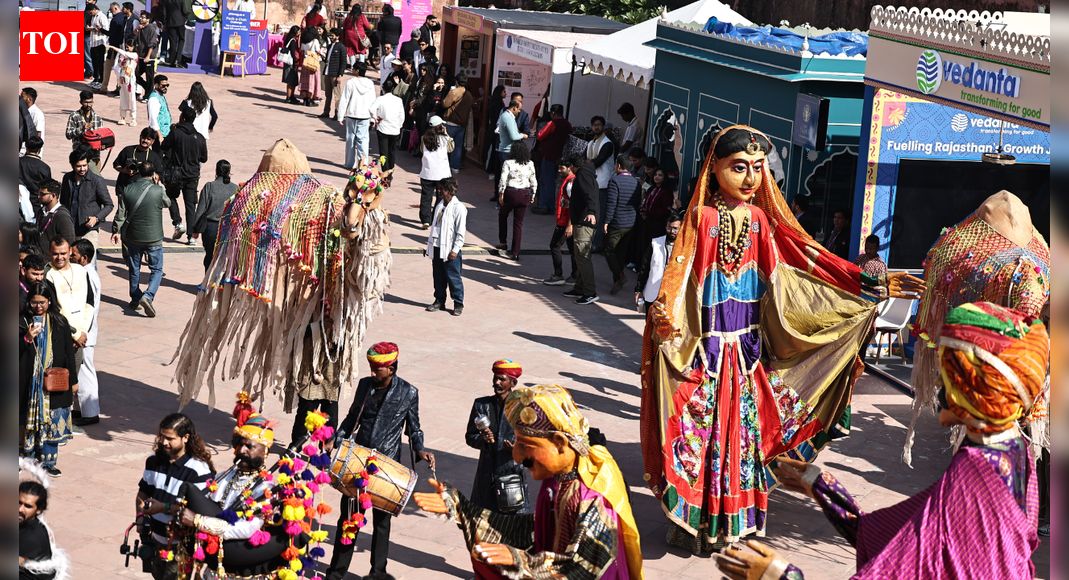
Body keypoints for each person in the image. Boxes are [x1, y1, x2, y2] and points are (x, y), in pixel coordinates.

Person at [640, 126, 924, 552]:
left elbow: (806, 261)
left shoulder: (758, 221)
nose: (751, 178)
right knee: (697, 432)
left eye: (758, 168)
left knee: (742, 439)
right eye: (739, 168)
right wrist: (665, 316)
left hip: (749, 354)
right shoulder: (701, 219)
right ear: (712, 168)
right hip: (708, 351)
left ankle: (734, 520)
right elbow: (678, 276)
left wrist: (862, 281)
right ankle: (691, 521)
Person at [717, 302, 1047, 580]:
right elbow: (906, 537)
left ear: (970, 390)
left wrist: (779, 574)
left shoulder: (974, 475)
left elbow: (900, 566)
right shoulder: (1013, 450)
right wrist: (824, 487)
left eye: (946, 374)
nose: (935, 382)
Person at [414, 384, 643, 580]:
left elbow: (584, 565)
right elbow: (537, 529)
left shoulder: (594, 497)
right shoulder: (557, 483)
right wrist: (462, 509)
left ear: (560, 442)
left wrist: (522, 562)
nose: (517, 457)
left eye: (525, 445)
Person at [325, 342, 435, 579]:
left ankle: (378, 573)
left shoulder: (409, 392)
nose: (373, 373)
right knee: (349, 518)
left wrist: (420, 449)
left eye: (378, 370)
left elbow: (414, 429)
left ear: (392, 369)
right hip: (359, 460)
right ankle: (336, 573)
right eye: (372, 368)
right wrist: (337, 438)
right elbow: (352, 417)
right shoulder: (365, 385)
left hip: (386, 466)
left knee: (382, 525)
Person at [136, 413, 215, 580]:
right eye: (162, 437)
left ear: (185, 438)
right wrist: (140, 518)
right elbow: (143, 493)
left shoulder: (199, 471)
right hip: (156, 540)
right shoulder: (153, 461)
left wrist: (163, 508)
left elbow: (200, 513)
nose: (164, 442)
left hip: (181, 546)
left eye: (170, 438)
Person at [20, 282, 79, 478]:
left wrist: (73, 380)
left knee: (52, 420)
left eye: (42, 302)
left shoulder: (60, 322)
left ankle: (48, 462)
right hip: (28, 382)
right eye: (34, 303)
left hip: (54, 382)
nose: (38, 307)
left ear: (50, 301)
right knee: (25, 420)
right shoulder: (21, 321)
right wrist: (27, 338)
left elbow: (69, 353)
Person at [464, 359, 530, 515]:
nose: (497, 382)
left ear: (513, 383)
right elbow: (470, 436)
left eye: (502, 379)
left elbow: (534, 444)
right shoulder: (481, 405)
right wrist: (483, 441)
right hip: (485, 478)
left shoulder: (523, 409)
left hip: (511, 478)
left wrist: (518, 449)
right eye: (495, 378)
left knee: (510, 528)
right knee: (481, 526)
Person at [111, 161, 169, 317]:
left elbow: (121, 213)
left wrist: (115, 230)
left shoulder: (128, 189)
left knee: (134, 268)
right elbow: (167, 203)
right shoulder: (158, 190)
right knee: (156, 269)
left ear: (138, 173)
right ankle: (148, 295)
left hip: (133, 236)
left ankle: (136, 298)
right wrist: (158, 184)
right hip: (154, 237)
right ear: (153, 174)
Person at [162, 108, 207, 244]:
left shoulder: (176, 133)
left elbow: (164, 146)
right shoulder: (199, 137)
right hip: (192, 176)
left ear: (183, 118)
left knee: (170, 196)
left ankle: (178, 223)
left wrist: (171, 132)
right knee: (190, 205)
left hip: (175, 174)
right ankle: (190, 236)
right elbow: (204, 158)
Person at [559, 154, 600, 305]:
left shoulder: (582, 175)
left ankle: (590, 292)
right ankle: (580, 287)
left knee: (582, 256)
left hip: (585, 222)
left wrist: (591, 212)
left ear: (572, 165)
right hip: (582, 220)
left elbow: (590, 196)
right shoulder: (586, 174)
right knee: (580, 255)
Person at [69, 239, 101, 427]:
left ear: (84, 257)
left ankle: (90, 413)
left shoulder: (87, 275)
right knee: (81, 372)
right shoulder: (86, 273)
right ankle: (82, 410)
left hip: (85, 333)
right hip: (85, 331)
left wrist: (80, 332)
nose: (70, 257)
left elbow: (87, 307)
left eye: (73, 255)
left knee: (86, 372)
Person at [59, 148, 113, 255]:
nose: (82, 169)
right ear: (72, 165)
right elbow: (63, 203)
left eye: (85, 165)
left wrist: (96, 218)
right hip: (70, 231)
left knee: (88, 265)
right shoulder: (67, 178)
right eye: (79, 166)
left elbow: (109, 205)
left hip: (89, 231)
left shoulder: (97, 181)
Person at [425, 177, 466, 315]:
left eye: (441, 189)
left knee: (453, 277)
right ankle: (439, 300)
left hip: (450, 249)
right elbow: (434, 227)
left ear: (449, 190)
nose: (438, 190)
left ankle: (458, 303)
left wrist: (455, 250)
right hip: (437, 246)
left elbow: (460, 233)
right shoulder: (440, 205)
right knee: (438, 276)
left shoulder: (459, 208)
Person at [603, 153, 642, 294]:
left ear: (618, 166)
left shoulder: (614, 181)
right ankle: (617, 280)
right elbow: (638, 204)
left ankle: (619, 275)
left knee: (609, 250)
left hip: (617, 222)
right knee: (620, 252)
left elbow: (611, 203)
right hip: (630, 223)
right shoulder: (636, 183)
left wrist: (606, 221)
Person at [189, 160, 237, 270]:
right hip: (228, 227)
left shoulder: (209, 186)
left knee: (210, 257)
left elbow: (201, 209)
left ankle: (208, 282)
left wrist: (195, 229)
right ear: (229, 172)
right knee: (225, 257)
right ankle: (221, 283)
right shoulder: (235, 188)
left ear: (216, 171)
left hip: (210, 228)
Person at [20, 476, 70, 580]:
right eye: (18, 502)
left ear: (39, 510)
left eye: (27, 506)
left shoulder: (30, 537)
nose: (20, 509)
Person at [635, 209, 683, 313]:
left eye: (675, 228)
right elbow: (645, 268)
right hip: (653, 292)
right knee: (650, 324)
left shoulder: (685, 248)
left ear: (681, 229)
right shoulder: (655, 243)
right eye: (669, 228)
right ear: (665, 227)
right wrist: (638, 290)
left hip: (674, 294)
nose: (672, 231)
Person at [496, 140, 537, 261]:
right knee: (518, 224)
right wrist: (533, 194)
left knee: (503, 215)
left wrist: (500, 194)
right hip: (524, 194)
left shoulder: (508, 163)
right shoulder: (530, 163)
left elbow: (503, 180)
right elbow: (533, 180)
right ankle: (515, 252)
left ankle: (503, 243)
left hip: (511, 193)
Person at [543, 158, 577, 286]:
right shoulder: (570, 181)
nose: (559, 171)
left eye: (562, 168)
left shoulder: (570, 183)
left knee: (555, 245)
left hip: (565, 221)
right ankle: (574, 275)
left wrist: (569, 225)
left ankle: (558, 275)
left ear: (569, 167)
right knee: (572, 248)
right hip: (567, 220)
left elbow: (573, 206)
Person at [533, 104, 571, 214]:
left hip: (548, 154)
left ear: (553, 113)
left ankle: (545, 205)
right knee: (553, 181)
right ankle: (550, 205)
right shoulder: (567, 124)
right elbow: (571, 132)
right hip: (558, 155)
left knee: (546, 181)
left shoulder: (552, 123)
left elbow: (540, 135)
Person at [337, 62, 375, 169]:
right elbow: (373, 101)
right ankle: (363, 162)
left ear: (357, 70)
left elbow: (344, 100)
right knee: (363, 140)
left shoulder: (351, 82)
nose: (352, 70)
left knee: (350, 139)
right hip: (365, 116)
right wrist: (373, 117)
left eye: (353, 69)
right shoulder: (370, 83)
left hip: (352, 115)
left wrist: (340, 116)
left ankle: (350, 163)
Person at [417, 117, 452, 228]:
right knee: (441, 197)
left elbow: (422, 150)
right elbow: (451, 149)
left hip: (427, 173)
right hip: (442, 174)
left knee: (426, 197)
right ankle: (436, 218)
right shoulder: (444, 139)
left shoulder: (424, 138)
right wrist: (446, 135)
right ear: (440, 127)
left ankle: (425, 220)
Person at [587, 115, 616, 247]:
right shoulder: (591, 143)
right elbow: (585, 159)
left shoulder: (607, 143)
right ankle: (590, 240)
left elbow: (598, 161)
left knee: (599, 213)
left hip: (603, 184)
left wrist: (588, 163)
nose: (596, 127)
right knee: (590, 212)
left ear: (604, 127)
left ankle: (597, 243)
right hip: (592, 182)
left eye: (599, 125)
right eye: (594, 125)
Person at [113, 128, 163, 202]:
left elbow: (160, 173)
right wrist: (124, 171)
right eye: (143, 138)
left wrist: (155, 177)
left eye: (148, 139)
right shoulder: (128, 150)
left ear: (153, 141)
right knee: (122, 213)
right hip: (125, 190)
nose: (145, 141)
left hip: (145, 193)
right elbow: (116, 164)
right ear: (140, 137)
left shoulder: (154, 156)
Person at [370, 78, 406, 175]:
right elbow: (401, 116)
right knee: (392, 152)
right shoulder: (398, 100)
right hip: (395, 130)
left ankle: (385, 173)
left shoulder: (380, 99)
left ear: (383, 89)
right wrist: (398, 125)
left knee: (383, 153)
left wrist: (375, 118)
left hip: (383, 129)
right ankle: (390, 172)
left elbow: (371, 109)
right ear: (393, 88)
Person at [441, 73, 472, 172]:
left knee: (444, 144)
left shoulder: (454, 92)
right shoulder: (469, 94)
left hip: (451, 121)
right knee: (458, 146)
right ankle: (455, 166)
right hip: (462, 123)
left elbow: (445, 104)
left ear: (457, 82)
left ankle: (443, 164)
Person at [495, 99, 528, 194]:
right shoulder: (508, 117)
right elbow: (514, 136)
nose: (519, 111)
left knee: (505, 177)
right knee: (507, 179)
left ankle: (501, 201)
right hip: (507, 151)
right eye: (519, 109)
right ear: (514, 107)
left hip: (505, 150)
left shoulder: (506, 116)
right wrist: (523, 136)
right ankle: (502, 201)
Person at [639, 166, 674, 253]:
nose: (657, 177)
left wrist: (649, 213)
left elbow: (666, 211)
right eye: (655, 175)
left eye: (660, 175)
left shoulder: (666, 192)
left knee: (653, 248)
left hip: (658, 224)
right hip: (648, 222)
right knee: (645, 245)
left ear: (664, 177)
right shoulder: (651, 189)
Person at [36, 181, 75, 256]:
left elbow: (69, 242)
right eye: (39, 193)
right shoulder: (40, 211)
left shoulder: (62, 216)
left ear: (53, 196)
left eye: (42, 194)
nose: (39, 196)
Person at [109, 36, 140, 126]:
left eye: (128, 46)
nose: (127, 48)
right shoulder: (125, 57)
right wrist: (119, 61)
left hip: (130, 80)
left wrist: (113, 47)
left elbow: (124, 53)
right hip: (123, 79)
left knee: (131, 98)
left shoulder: (134, 55)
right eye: (126, 46)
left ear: (133, 46)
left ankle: (133, 118)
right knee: (123, 97)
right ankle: (122, 116)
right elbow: (120, 66)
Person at [19, 136, 51, 218]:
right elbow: (48, 189)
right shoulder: (44, 168)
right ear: (39, 150)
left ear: (26, 147)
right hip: (36, 206)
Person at [321, 28, 348, 119]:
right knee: (328, 94)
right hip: (328, 72)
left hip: (335, 74)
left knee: (337, 95)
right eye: (330, 35)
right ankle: (326, 112)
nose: (331, 37)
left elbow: (343, 62)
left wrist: (340, 75)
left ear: (337, 36)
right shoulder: (329, 46)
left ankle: (337, 113)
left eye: (332, 36)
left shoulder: (341, 47)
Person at [134, 10, 159, 98]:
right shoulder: (141, 28)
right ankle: (148, 88)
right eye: (141, 17)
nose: (141, 19)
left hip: (149, 58)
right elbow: (133, 38)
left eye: (143, 17)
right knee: (135, 75)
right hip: (141, 57)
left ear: (148, 19)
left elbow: (152, 44)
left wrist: (148, 56)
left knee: (149, 77)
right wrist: (137, 29)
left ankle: (148, 95)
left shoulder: (151, 29)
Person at [483, 85, 507, 175]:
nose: (506, 93)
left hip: (491, 127)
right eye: (504, 91)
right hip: (495, 128)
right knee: (494, 149)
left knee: (492, 148)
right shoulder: (498, 104)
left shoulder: (493, 102)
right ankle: (491, 169)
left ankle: (489, 167)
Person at [299, 26, 324, 107]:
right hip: (313, 64)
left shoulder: (303, 42)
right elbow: (318, 51)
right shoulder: (315, 41)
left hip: (305, 63)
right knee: (312, 82)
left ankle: (305, 100)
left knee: (305, 81)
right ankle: (310, 100)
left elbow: (302, 53)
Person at [160, 0, 189, 67]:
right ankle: (178, 59)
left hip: (170, 23)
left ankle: (172, 61)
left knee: (172, 41)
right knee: (181, 40)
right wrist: (187, 13)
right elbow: (184, 11)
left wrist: (164, 23)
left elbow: (164, 13)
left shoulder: (165, 1)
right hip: (180, 22)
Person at [86, 3, 109, 88]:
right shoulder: (93, 17)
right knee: (94, 62)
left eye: (90, 12)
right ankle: (96, 79)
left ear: (94, 9)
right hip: (93, 42)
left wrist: (94, 29)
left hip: (100, 43)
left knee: (100, 63)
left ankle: (101, 80)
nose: (90, 14)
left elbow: (106, 30)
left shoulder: (102, 17)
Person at [147, 75, 172, 148]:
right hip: (159, 135)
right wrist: (160, 135)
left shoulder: (161, 95)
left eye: (167, 85)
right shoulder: (154, 99)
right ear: (156, 85)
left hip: (166, 133)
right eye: (163, 85)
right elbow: (153, 119)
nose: (166, 87)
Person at [280, 26, 302, 105]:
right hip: (291, 62)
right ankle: (289, 97)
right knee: (291, 80)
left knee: (293, 80)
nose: (299, 33)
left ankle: (291, 96)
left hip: (287, 62)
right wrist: (295, 63)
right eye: (298, 32)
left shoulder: (288, 39)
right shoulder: (292, 41)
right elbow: (293, 53)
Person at [21, 89, 45, 155]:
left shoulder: (37, 114)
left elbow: (38, 134)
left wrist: (32, 152)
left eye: (22, 97)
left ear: (29, 99)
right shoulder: (23, 111)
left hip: (29, 152)